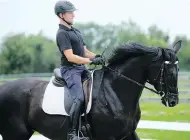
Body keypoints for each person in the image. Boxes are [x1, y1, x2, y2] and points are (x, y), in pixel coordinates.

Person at [54, 1, 105, 140]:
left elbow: (84, 51)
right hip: (70, 70)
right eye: (70, 12)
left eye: (72, 12)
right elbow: (70, 57)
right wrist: (90, 61)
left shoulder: (75, 31)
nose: (73, 15)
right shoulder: (62, 34)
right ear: (61, 15)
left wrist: (97, 57)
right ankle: (72, 134)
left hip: (81, 68)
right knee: (79, 98)